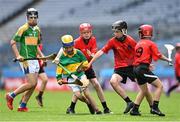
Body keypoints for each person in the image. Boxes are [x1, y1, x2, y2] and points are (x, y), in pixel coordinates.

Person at [88, 20, 153, 114]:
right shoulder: (112, 41)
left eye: (117, 31)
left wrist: (147, 64)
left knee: (144, 88)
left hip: (132, 67)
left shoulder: (130, 41)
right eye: (114, 31)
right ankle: (129, 102)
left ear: (123, 31)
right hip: (120, 68)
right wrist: (90, 62)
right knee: (113, 82)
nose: (115, 34)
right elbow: (101, 52)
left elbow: (140, 53)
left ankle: (153, 107)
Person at [65, 23, 112, 114]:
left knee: (96, 84)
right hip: (78, 69)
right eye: (84, 32)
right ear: (81, 33)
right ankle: (71, 108)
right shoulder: (76, 42)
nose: (86, 34)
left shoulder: (93, 40)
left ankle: (105, 108)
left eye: (88, 32)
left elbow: (94, 53)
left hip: (88, 66)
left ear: (91, 32)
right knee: (79, 89)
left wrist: (92, 55)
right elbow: (69, 54)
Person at [6, 8, 44, 112]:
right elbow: (12, 42)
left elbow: (35, 45)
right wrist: (18, 55)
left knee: (34, 84)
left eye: (35, 17)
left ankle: (22, 105)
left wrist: (42, 56)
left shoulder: (37, 29)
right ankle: (11, 95)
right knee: (31, 83)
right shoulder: (23, 28)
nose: (33, 19)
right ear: (27, 18)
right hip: (26, 60)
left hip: (35, 59)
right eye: (30, 17)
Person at [130, 24, 171, 116]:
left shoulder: (138, 43)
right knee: (160, 86)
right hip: (142, 69)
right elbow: (159, 55)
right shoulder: (150, 43)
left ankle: (134, 110)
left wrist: (147, 64)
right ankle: (154, 108)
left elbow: (139, 58)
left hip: (136, 68)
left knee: (144, 90)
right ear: (150, 33)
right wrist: (168, 59)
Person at [55, 34, 102, 114]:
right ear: (64, 47)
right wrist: (59, 79)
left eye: (70, 47)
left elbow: (85, 62)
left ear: (73, 45)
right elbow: (59, 69)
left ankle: (97, 110)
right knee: (78, 95)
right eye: (67, 48)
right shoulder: (62, 56)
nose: (69, 49)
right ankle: (88, 103)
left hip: (81, 76)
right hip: (71, 79)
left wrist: (82, 67)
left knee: (86, 93)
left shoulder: (78, 53)